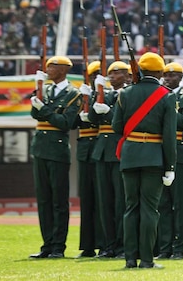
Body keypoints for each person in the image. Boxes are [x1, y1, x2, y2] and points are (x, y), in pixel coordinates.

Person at [111, 52, 177, 269]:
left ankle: (130, 258)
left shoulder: (126, 93)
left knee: (131, 208)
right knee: (150, 209)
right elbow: (169, 135)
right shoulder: (166, 95)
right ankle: (147, 259)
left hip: (130, 155)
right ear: (160, 72)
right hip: (153, 157)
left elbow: (117, 127)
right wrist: (170, 166)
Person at [29, 56, 80, 259]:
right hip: (40, 148)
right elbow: (36, 114)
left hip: (58, 150)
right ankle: (47, 245)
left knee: (59, 201)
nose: (48, 69)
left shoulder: (73, 94)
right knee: (43, 200)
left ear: (63, 69)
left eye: (52, 66)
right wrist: (38, 96)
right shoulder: (46, 90)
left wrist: (45, 110)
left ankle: (59, 246)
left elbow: (65, 122)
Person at [89, 61, 130, 259]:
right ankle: (107, 245)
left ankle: (122, 246)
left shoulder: (128, 94)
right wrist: (96, 97)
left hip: (119, 151)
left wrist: (109, 111)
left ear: (127, 76)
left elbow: (126, 123)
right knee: (104, 202)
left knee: (120, 202)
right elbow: (90, 119)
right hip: (102, 151)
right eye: (110, 74)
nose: (111, 77)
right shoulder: (104, 93)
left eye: (116, 73)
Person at [157, 62, 183, 259]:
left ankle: (179, 247)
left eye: (173, 75)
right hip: (160, 153)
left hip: (180, 152)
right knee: (163, 204)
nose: (168, 78)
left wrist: (167, 110)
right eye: (166, 75)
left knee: (180, 204)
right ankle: (165, 248)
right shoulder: (158, 95)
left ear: (181, 77)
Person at [75, 61, 100, 258]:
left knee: (105, 199)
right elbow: (72, 122)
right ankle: (88, 245)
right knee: (87, 199)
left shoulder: (110, 95)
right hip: (85, 149)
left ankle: (107, 243)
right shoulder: (82, 95)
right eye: (94, 75)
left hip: (103, 148)